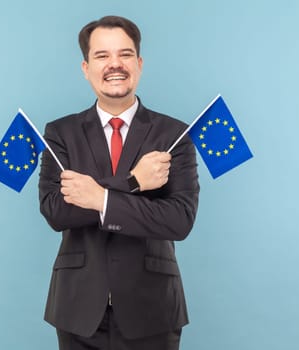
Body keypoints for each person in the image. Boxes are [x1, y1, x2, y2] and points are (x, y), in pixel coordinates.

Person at [38, 15, 199, 350]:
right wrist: (133, 182)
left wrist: (97, 197)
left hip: (152, 308)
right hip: (77, 309)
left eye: (125, 55)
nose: (115, 64)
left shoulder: (174, 134)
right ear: (86, 67)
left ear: (139, 64)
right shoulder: (60, 134)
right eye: (102, 56)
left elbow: (178, 220)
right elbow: (56, 212)